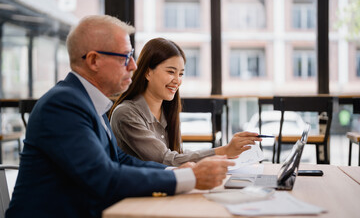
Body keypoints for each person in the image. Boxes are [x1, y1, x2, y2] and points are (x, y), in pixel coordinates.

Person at [6, 15, 235, 218]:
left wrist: (178, 171)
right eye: (125, 57)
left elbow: (118, 160)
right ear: (94, 60)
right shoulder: (63, 105)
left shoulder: (91, 102)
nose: (134, 66)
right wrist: (190, 178)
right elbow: (103, 177)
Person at [109, 37, 261, 166]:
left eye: (181, 74)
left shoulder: (166, 110)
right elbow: (165, 160)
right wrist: (224, 151)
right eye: (171, 72)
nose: (177, 80)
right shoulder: (126, 114)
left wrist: (224, 154)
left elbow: (177, 154)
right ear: (148, 72)